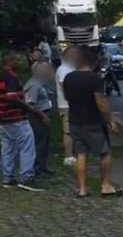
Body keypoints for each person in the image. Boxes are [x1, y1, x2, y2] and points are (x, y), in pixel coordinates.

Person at [63, 47, 122, 198]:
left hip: (75, 121)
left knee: (81, 154)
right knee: (105, 152)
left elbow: (66, 96)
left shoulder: (69, 78)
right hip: (93, 122)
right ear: (92, 62)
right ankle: (106, 185)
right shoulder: (95, 79)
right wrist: (110, 121)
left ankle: (82, 189)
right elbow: (100, 102)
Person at [0, 52, 49, 191]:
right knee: (27, 146)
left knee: (7, 147)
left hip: (3, 119)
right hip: (16, 118)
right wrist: (35, 112)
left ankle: (7, 177)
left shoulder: (2, 76)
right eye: (18, 60)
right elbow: (13, 98)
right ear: (10, 61)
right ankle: (26, 177)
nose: (22, 63)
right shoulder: (11, 78)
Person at [24, 62, 55, 176]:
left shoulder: (40, 83)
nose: (48, 71)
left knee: (44, 142)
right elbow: (30, 105)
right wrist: (43, 116)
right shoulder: (34, 85)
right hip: (37, 117)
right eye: (45, 69)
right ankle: (36, 168)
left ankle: (43, 166)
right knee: (39, 142)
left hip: (43, 115)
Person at [56, 47, 77, 167]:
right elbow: (64, 85)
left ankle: (73, 154)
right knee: (68, 131)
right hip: (67, 105)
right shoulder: (64, 69)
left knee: (73, 130)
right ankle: (68, 156)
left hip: (69, 104)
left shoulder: (69, 68)